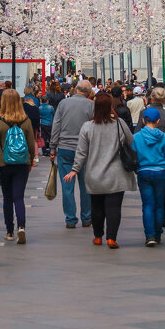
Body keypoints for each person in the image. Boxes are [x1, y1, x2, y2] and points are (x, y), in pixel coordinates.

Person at [63, 92, 135, 249]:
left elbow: (81, 152)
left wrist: (75, 170)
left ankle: (97, 236)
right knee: (114, 207)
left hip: (94, 174)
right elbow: (131, 140)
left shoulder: (87, 127)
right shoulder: (119, 124)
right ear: (110, 107)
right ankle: (111, 238)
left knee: (96, 207)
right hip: (116, 174)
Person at [0, 89, 37, 244]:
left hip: (4, 164)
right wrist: (31, 161)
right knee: (19, 197)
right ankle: (21, 227)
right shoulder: (26, 121)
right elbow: (31, 144)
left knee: (7, 198)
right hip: (22, 163)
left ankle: (9, 231)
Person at [50, 80, 95, 228]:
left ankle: (70, 218)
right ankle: (86, 217)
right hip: (85, 149)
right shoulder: (91, 105)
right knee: (85, 185)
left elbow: (56, 125)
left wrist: (52, 147)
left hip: (65, 148)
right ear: (88, 92)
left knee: (67, 185)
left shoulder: (63, 104)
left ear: (75, 89)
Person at [132, 107, 165, 246]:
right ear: (158, 121)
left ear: (143, 120)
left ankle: (150, 236)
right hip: (160, 171)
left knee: (148, 204)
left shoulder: (136, 137)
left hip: (144, 171)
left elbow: (133, 154)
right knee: (159, 204)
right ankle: (158, 232)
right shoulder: (162, 136)